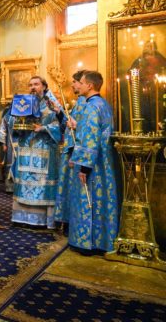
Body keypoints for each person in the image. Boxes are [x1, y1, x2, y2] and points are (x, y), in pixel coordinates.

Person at [66, 71, 118, 253]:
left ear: (89, 85)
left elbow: (90, 138)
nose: (78, 86)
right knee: (102, 200)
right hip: (104, 161)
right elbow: (96, 130)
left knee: (89, 200)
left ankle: (87, 243)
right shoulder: (103, 104)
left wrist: (84, 168)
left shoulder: (90, 107)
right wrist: (77, 126)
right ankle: (103, 240)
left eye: (80, 83)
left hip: (92, 163)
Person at [11, 76, 61, 229]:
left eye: (36, 84)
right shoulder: (24, 102)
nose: (32, 87)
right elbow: (12, 123)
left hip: (44, 148)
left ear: (44, 86)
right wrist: (17, 121)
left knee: (42, 183)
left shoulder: (52, 103)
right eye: (30, 84)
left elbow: (62, 124)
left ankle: (42, 220)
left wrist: (44, 128)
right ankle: (21, 218)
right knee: (25, 180)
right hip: (26, 147)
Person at [55, 70, 87, 230]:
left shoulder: (86, 102)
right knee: (67, 186)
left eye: (75, 81)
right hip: (70, 150)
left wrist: (75, 126)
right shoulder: (80, 101)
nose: (72, 85)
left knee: (73, 187)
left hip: (75, 152)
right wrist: (59, 113)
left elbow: (86, 129)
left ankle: (71, 223)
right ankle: (66, 220)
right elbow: (67, 125)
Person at [0, 101, 16, 193]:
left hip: (23, 145)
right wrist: (3, 144)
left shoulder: (28, 115)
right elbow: (2, 129)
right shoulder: (8, 115)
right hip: (10, 144)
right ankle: (10, 187)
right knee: (10, 164)